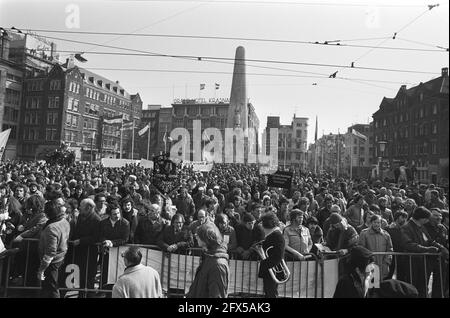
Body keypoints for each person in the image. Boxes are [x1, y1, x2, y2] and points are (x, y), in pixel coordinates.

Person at [401, 206, 448, 298]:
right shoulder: (407, 227)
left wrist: (441, 248)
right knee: (413, 286)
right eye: (427, 218)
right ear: (422, 218)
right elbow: (408, 244)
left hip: (422, 262)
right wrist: (427, 249)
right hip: (412, 262)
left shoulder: (421, 227)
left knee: (422, 287)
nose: (428, 220)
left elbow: (429, 240)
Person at [187, 223, 230, 298]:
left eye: (198, 235)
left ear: (205, 238)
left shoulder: (218, 265)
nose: (196, 237)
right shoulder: (208, 257)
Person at [37, 201, 71, 298]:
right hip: (60, 258)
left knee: (52, 288)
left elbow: (50, 252)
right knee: (48, 288)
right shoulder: (64, 221)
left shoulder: (52, 228)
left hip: (52, 262)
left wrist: (41, 269)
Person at [256, 212, 286, 298]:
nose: (261, 225)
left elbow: (278, 256)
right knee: (269, 293)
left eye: (262, 223)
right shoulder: (271, 234)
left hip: (272, 270)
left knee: (271, 294)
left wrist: (264, 264)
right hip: (270, 269)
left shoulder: (277, 235)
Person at [358, 214, 393, 280]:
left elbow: (390, 249)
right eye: (375, 222)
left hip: (382, 265)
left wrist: (387, 262)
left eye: (378, 222)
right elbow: (361, 249)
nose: (377, 224)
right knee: (371, 286)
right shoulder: (364, 233)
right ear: (371, 223)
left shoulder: (386, 234)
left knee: (381, 286)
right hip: (369, 265)